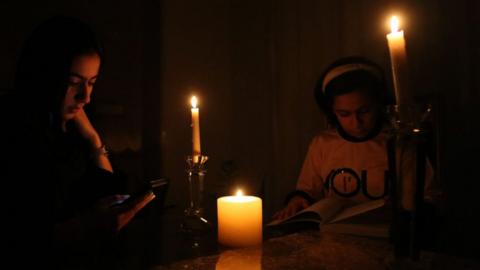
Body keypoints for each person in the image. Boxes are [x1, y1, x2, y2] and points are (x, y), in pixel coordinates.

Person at [1, 16, 155, 268]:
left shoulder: (73, 131)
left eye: (92, 83)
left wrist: (93, 138)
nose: (86, 97)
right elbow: (21, 239)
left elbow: (109, 193)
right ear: (44, 76)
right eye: (74, 83)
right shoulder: (12, 133)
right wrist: (85, 227)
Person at [273, 56, 435, 221]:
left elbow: (424, 197)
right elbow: (308, 190)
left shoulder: (400, 143)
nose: (356, 123)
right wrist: (298, 200)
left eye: (364, 111)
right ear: (332, 112)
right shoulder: (322, 143)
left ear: (379, 105)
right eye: (344, 114)